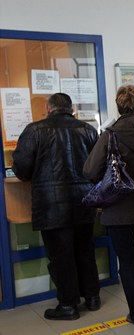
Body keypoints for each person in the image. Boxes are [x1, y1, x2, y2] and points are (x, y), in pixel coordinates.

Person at [83, 85, 134, 325]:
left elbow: (89, 170)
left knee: (128, 262)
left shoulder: (110, 134)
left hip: (118, 208)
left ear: (119, 106)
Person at [12, 93, 100, 320]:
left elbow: (21, 168)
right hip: (85, 201)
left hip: (52, 205)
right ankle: (92, 297)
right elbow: (99, 166)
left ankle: (69, 305)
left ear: (48, 108)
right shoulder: (88, 130)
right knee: (85, 250)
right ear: (71, 109)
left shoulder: (34, 130)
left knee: (61, 256)